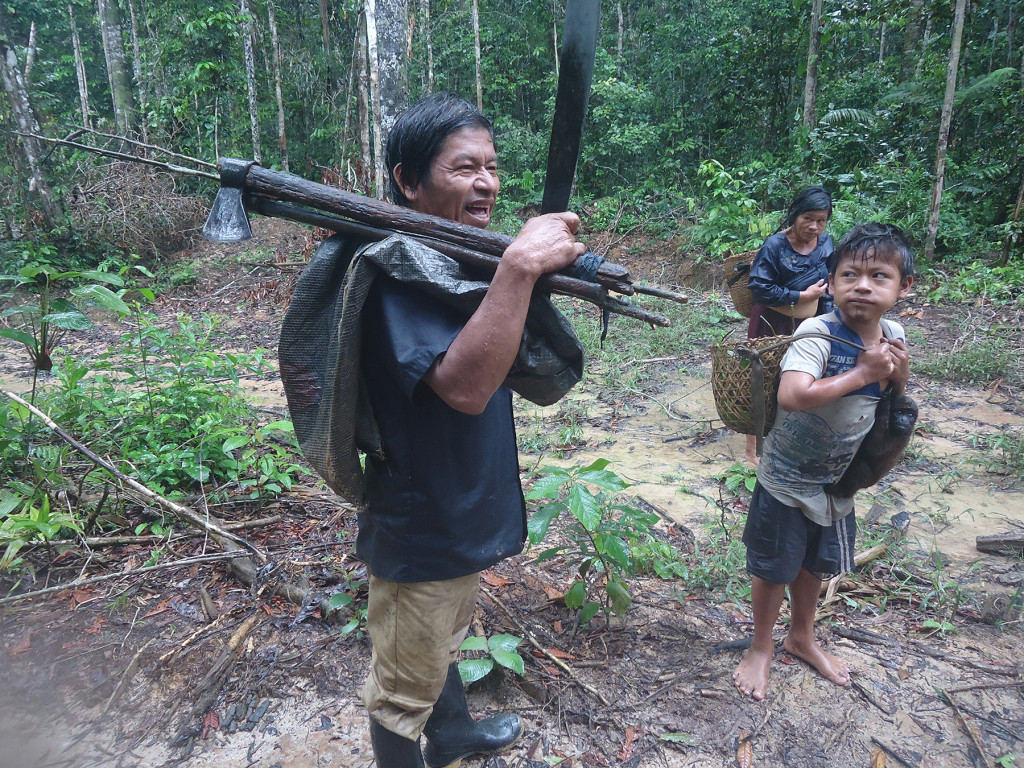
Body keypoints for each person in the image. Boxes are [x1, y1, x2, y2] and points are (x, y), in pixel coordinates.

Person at [357, 93, 586, 768]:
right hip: (422, 521)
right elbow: (463, 387)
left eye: (491, 165)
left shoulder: (449, 255)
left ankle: (452, 734)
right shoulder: (395, 272)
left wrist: (513, 268)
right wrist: (517, 267)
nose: (486, 182)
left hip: (455, 505)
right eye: (464, 168)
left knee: (438, 637)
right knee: (403, 687)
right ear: (408, 180)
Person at [732, 222, 914, 701]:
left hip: (837, 484)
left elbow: (894, 387)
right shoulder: (818, 332)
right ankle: (761, 645)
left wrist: (896, 372)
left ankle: (802, 637)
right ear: (830, 283)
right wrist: (862, 373)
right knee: (774, 567)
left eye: (879, 276)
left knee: (813, 566)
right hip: (787, 479)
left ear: (903, 287)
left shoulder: (892, 333)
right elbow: (794, 395)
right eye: (850, 275)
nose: (863, 286)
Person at [744, 186, 835, 465]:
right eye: (808, 218)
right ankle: (752, 451)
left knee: (803, 379)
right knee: (762, 380)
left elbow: (831, 281)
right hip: (772, 322)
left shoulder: (827, 243)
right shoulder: (775, 246)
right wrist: (800, 296)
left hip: (810, 324)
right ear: (794, 215)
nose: (814, 226)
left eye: (821, 220)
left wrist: (829, 318)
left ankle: (790, 440)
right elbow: (759, 288)